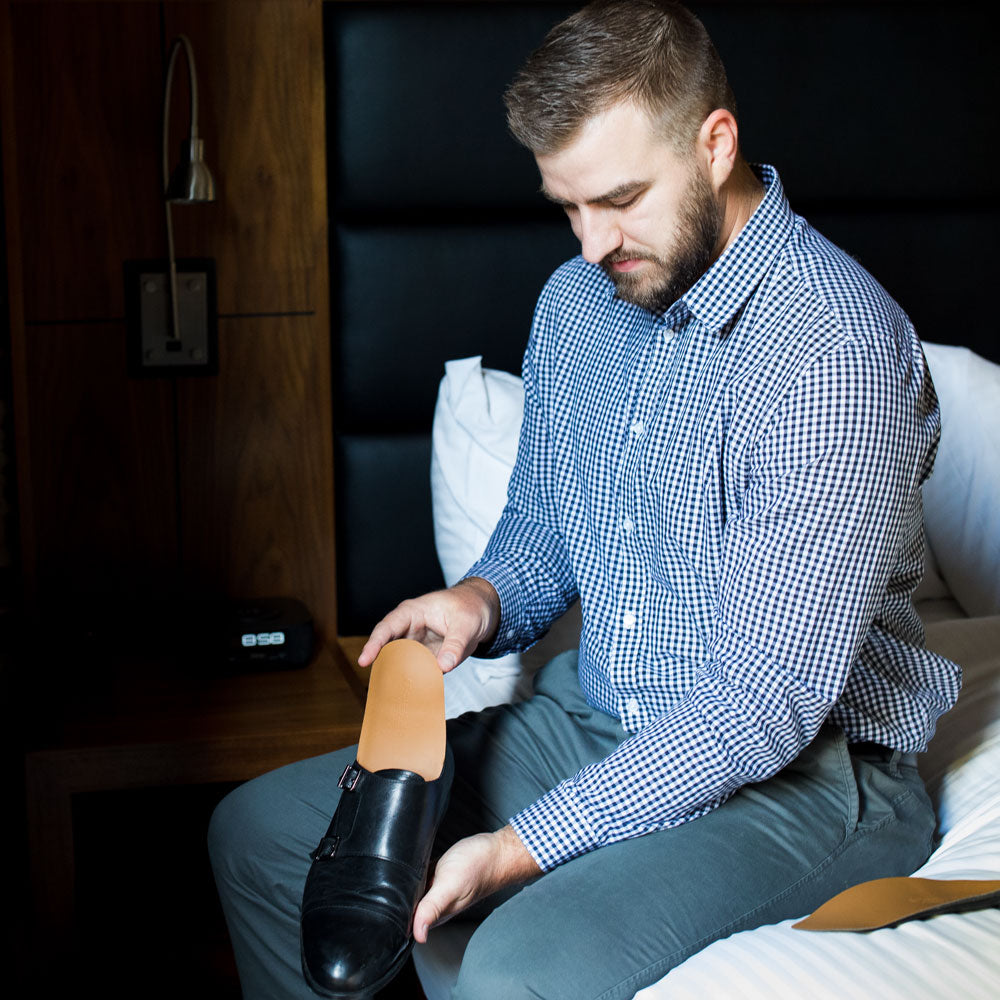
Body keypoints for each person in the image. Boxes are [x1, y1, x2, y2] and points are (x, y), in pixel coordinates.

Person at [209, 2, 960, 997]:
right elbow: (547, 528)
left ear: (715, 143)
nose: (593, 241)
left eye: (618, 198)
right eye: (566, 206)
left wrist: (517, 848)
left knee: (514, 966)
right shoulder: (576, 303)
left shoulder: (832, 356)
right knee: (257, 836)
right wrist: (476, 601)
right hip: (599, 713)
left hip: (805, 779)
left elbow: (758, 706)